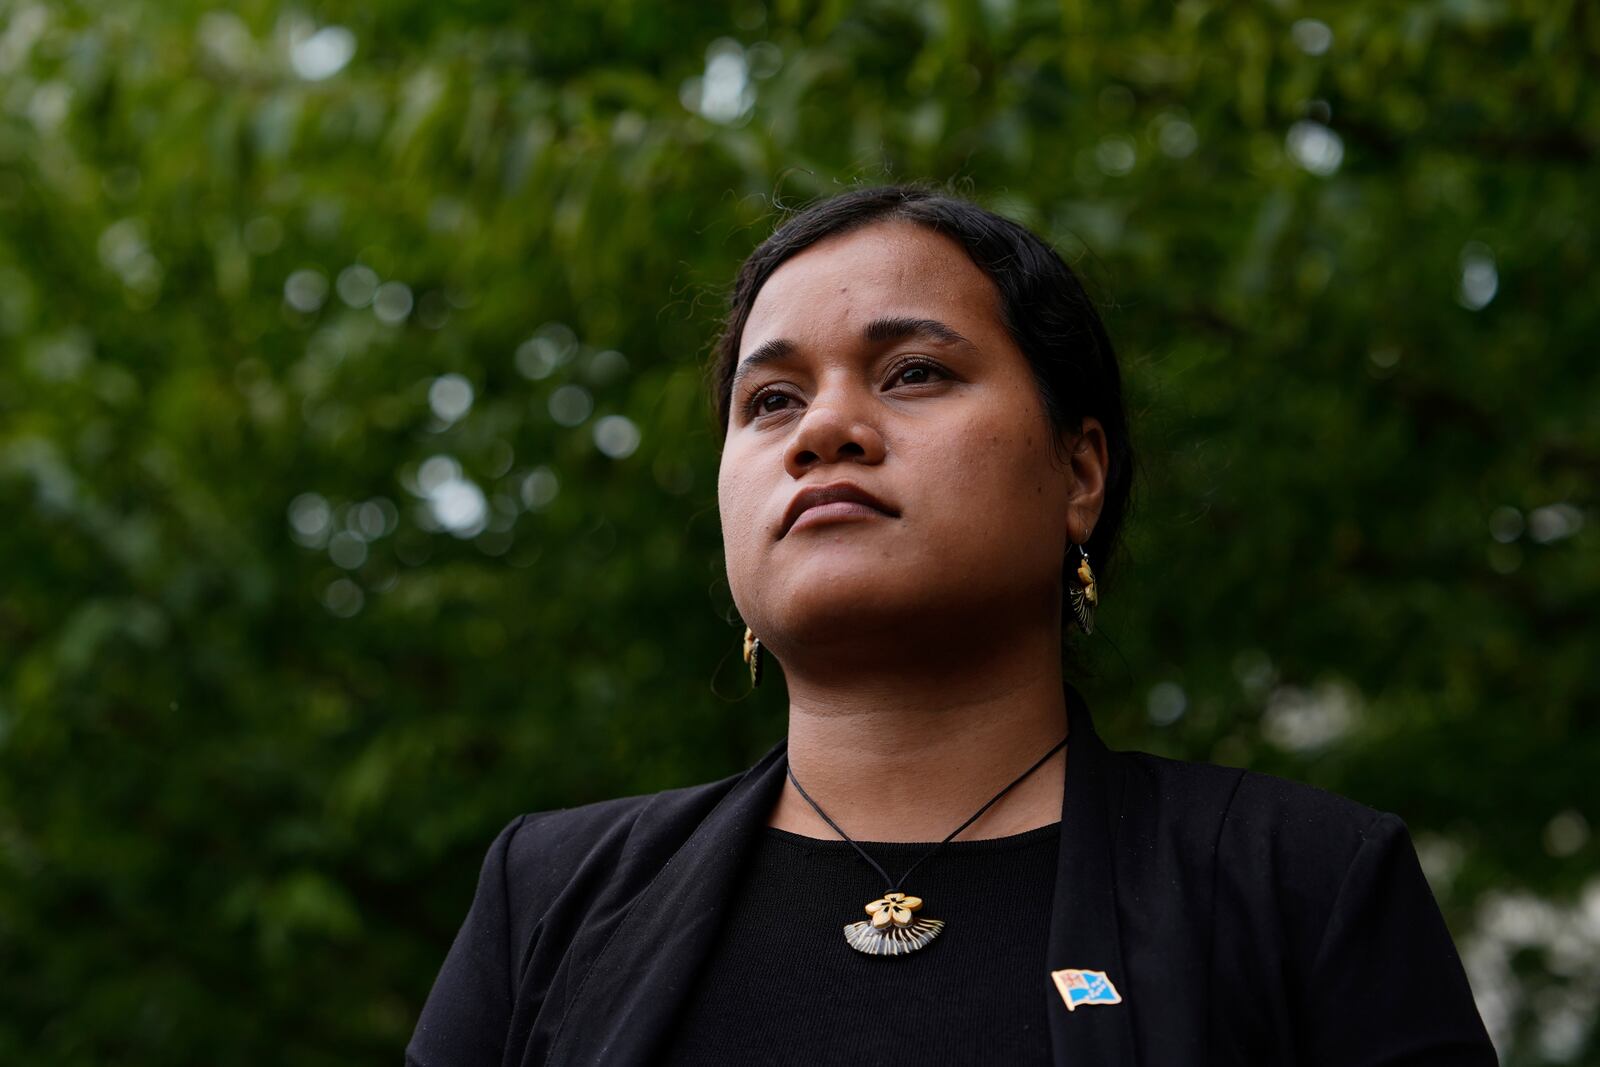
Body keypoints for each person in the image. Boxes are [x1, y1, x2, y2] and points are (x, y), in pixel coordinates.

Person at [406, 185, 1496, 1066]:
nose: (823, 426)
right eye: (770, 400)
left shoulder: (1299, 882)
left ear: (1078, 470)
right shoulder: (554, 894)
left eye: (912, 371)